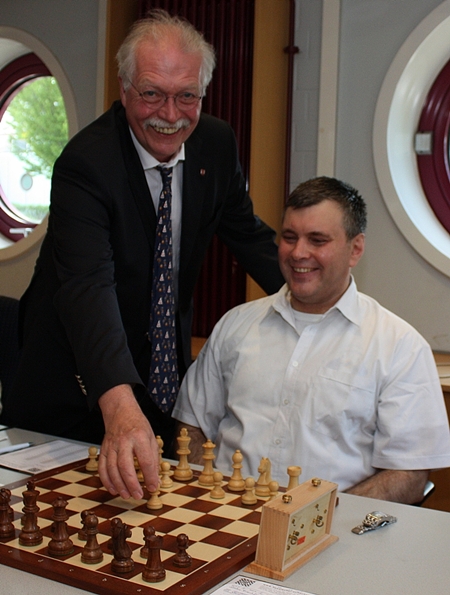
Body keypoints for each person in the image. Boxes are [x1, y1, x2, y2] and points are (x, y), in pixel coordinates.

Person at [1, 11, 284, 501]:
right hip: (72, 384)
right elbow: (88, 288)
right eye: (152, 93)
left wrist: (318, 288)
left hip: (158, 375)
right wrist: (118, 403)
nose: (170, 115)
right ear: (125, 88)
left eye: (187, 96)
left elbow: (249, 236)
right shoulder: (86, 164)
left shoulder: (215, 144)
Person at [173, 176, 450, 504]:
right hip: (225, 516)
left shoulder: (400, 347)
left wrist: (317, 517)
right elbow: (191, 426)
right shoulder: (235, 325)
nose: (298, 253)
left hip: (335, 526)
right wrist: (204, 501)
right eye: (289, 237)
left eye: (317, 240)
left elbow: (409, 474)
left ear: (355, 249)